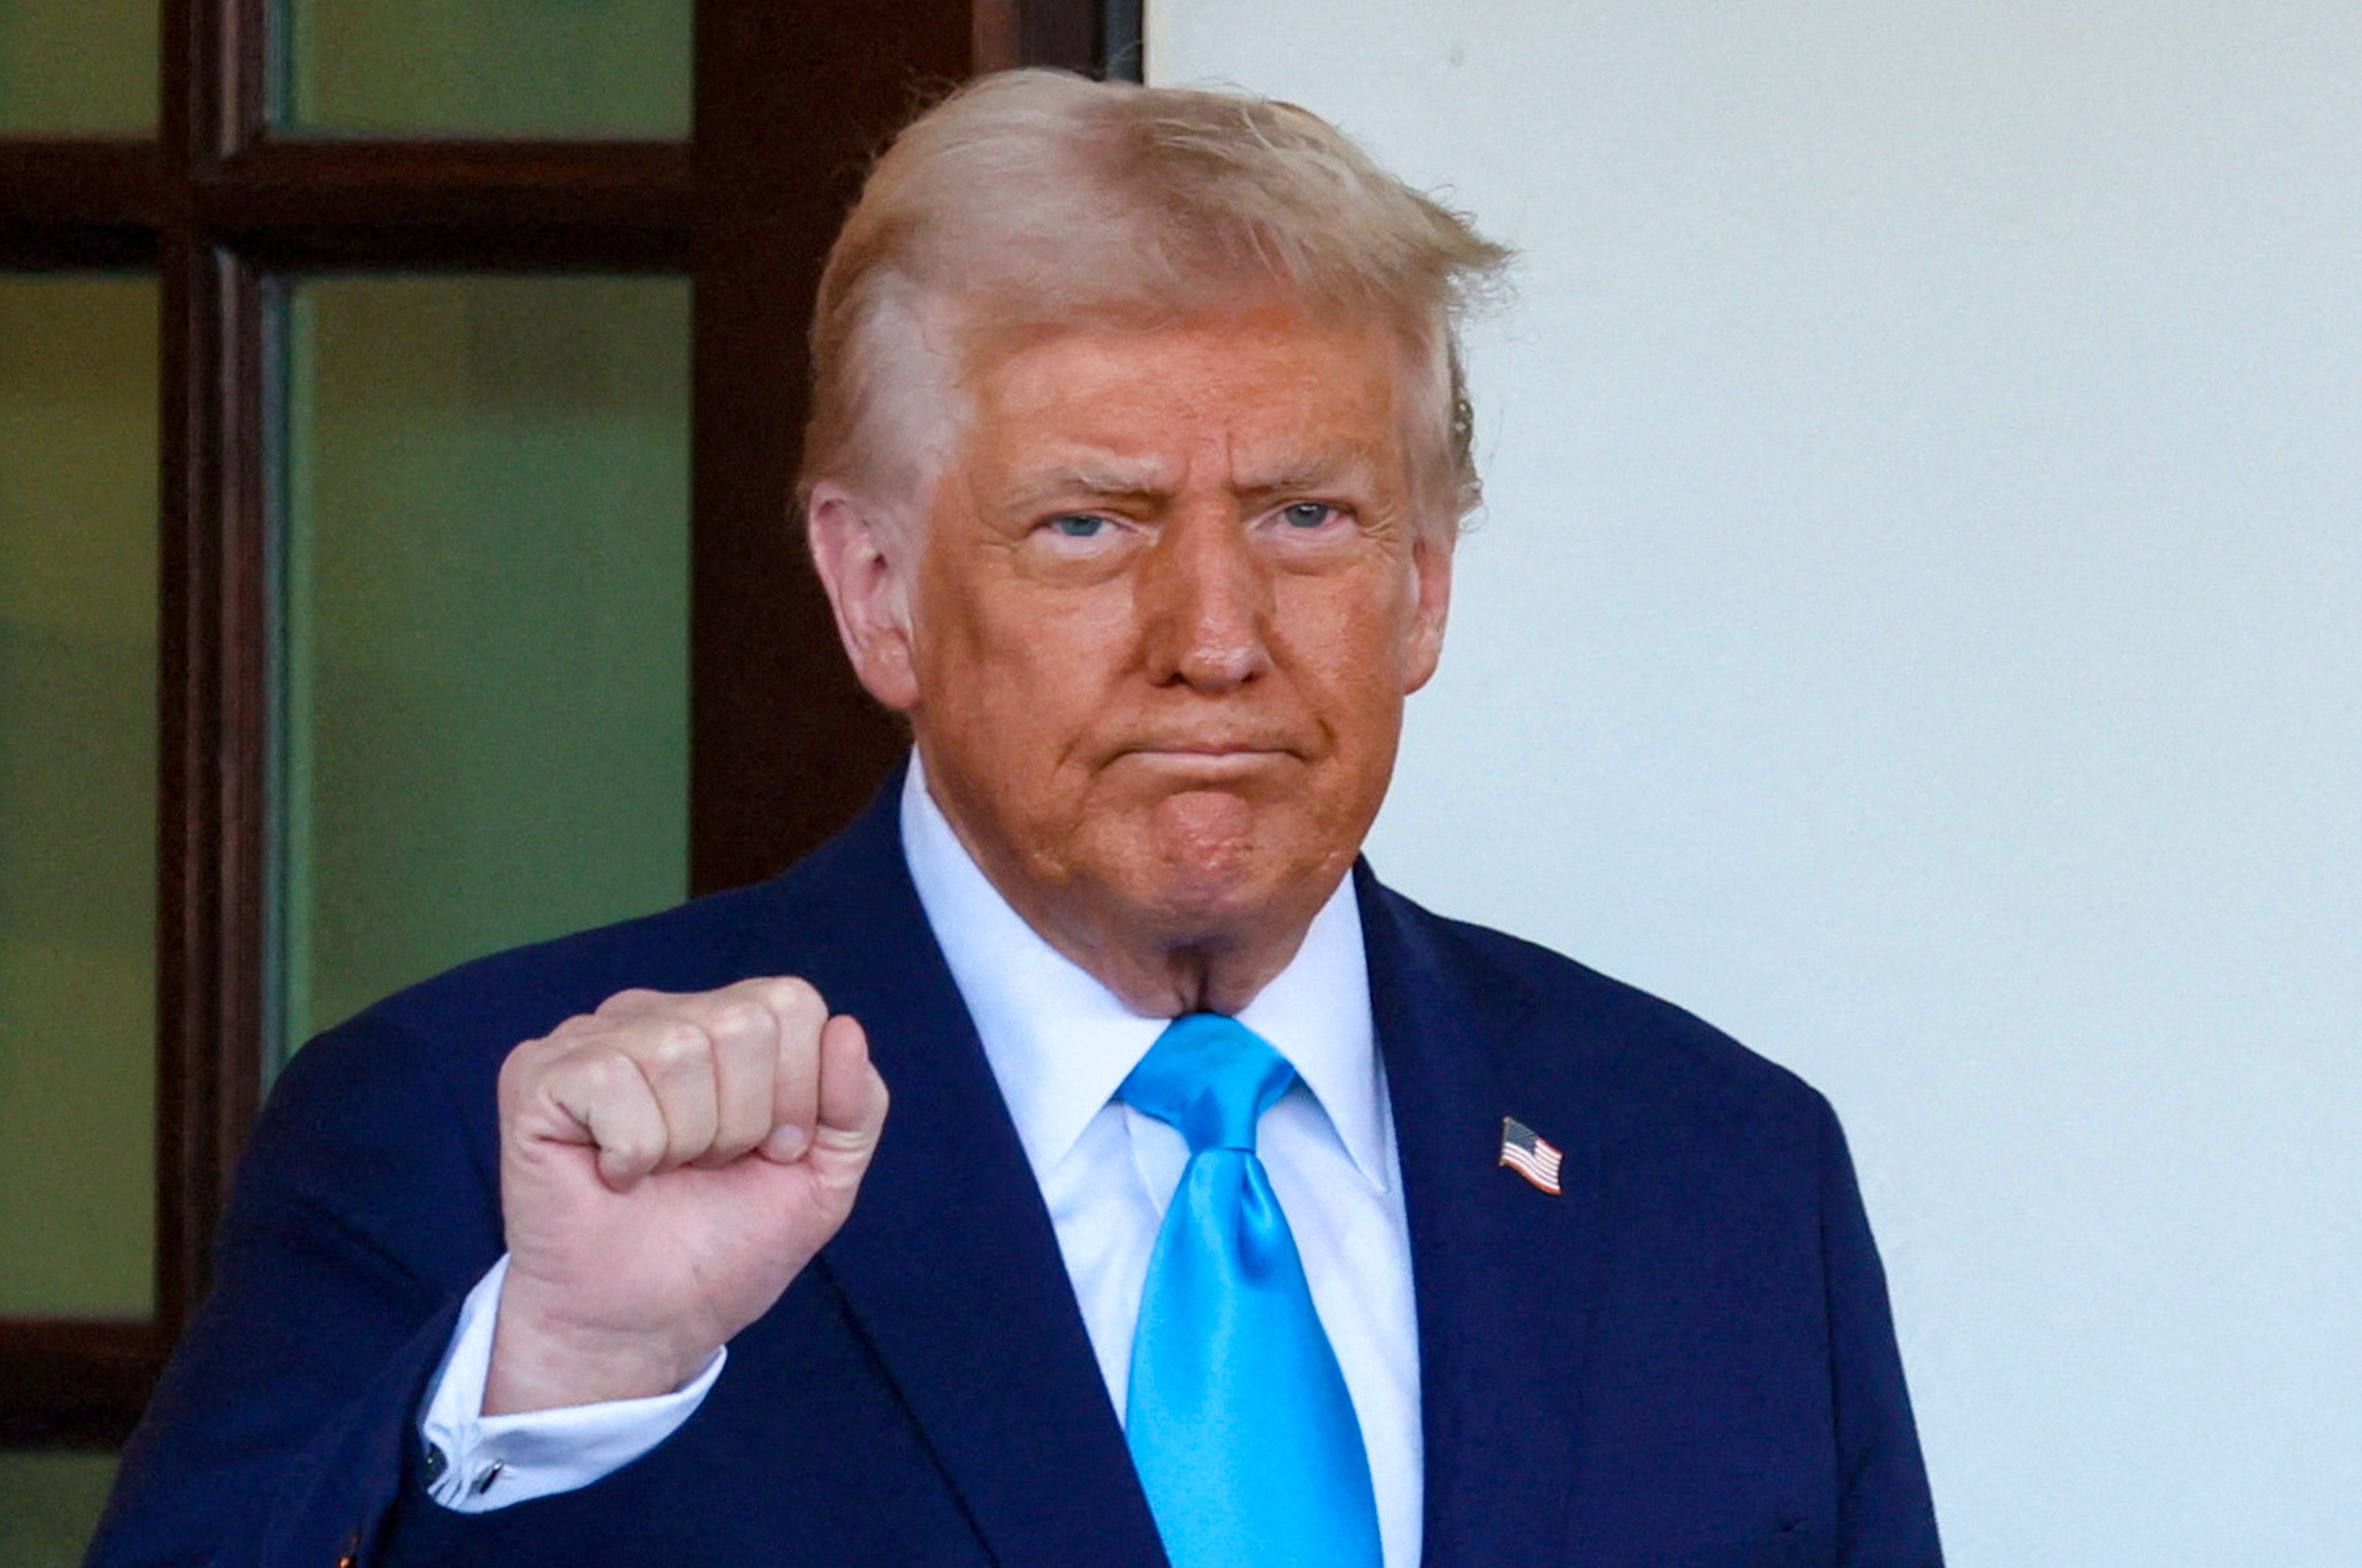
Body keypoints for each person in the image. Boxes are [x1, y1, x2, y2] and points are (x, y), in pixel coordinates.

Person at [90, 70, 1942, 1567]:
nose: (1214, 641)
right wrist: (559, 1372)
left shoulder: (1723, 1174)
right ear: (874, 586)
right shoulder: (465, 1137)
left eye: (1308, 516)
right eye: (1092, 523)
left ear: (1426, 586)